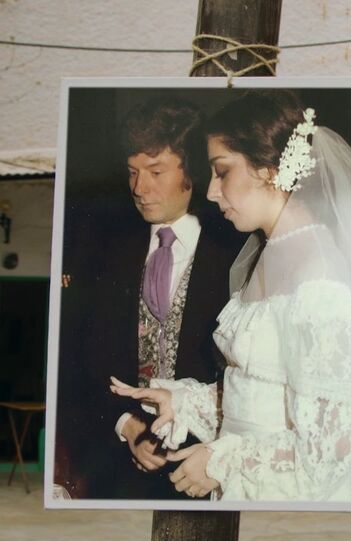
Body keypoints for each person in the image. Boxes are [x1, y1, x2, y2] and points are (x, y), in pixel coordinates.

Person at [112, 91, 351, 502]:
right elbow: (264, 393)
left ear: (269, 170)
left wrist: (219, 462)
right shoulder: (269, 250)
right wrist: (184, 402)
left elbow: (331, 452)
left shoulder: (320, 279)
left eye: (222, 172)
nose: (211, 191)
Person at [64, 97, 242, 499]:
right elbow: (82, 361)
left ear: (192, 172)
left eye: (156, 171)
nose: (139, 189)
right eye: (132, 173)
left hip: (206, 469)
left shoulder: (233, 253)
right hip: (119, 474)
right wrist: (126, 425)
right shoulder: (106, 252)